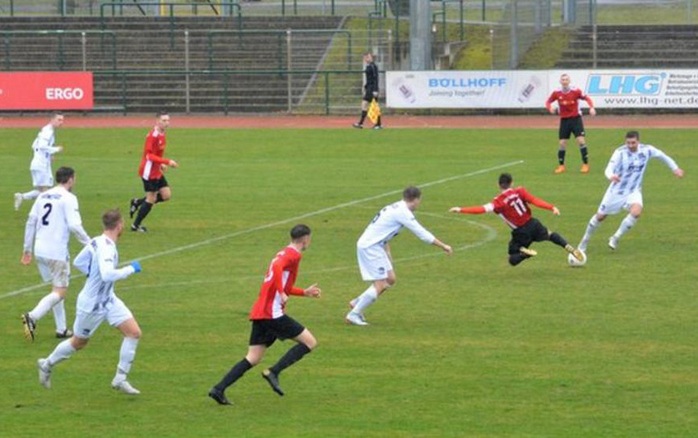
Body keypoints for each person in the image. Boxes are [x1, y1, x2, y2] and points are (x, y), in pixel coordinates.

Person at [208, 224, 322, 406]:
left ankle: (218, 389)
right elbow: (277, 269)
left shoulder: (283, 252)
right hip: (272, 314)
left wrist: (304, 292)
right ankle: (274, 372)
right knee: (310, 342)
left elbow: (283, 284)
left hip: (261, 312)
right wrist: (281, 292)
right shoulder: (294, 255)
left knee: (253, 357)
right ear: (306, 239)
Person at [37, 209, 144, 395]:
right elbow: (108, 274)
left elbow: (79, 261)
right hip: (92, 304)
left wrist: (92, 275)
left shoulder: (96, 241)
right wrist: (130, 269)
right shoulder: (107, 248)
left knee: (134, 333)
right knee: (79, 342)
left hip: (109, 299)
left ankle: (120, 378)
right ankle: (46, 364)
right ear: (119, 226)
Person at [345, 186, 452, 326]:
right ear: (415, 200)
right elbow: (422, 233)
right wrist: (443, 245)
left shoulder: (394, 206)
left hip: (376, 245)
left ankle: (357, 302)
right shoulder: (403, 213)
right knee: (380, 283)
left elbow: (382, 230)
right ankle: (353, 315)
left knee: (390, 279)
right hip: (371, 247)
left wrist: (387, 252)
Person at [578, 130, 684, 252]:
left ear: (638, 141)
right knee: (600, 217)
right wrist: (611, 176)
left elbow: (662, 156)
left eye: (633, 143)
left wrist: (675, 168)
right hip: (616, 191)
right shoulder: (620, 153)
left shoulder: (647, 150)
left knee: (636, 212)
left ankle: (615, 237)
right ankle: (584, 242)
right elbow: (609, 168)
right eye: (628, 143)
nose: (630, 145)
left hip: (634, 191)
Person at [449, 173, 584, 266]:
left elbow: (481, 209)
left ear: (498, 185)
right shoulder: (520, 191)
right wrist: (551, 207)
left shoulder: (499, 202)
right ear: (511, 183)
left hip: (521, 232)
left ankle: (525, 254)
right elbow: (535, 201)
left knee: (512, 259)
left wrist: (461, 209)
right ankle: (568, 247)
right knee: (549, 234)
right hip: (533, 223)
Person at [21, 166, 91, 341]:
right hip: (56, 251)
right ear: (70, 179)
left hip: (39, 250)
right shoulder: (69, 198)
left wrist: (27, 249)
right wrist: (90, 244)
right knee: (60, 291)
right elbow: (75, 226)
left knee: (54, 288)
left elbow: (31, 222)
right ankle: (32, 316)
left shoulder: (42, 196)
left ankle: (61, 329)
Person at [128, 111, 178, 232]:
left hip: (156, 170)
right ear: (157, 121)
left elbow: (157, 153)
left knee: (166, 195)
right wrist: (167, 161)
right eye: (164, 120)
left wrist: (160, 164)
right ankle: (135, 225)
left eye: (168, 120)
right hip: (148, 171)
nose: (167, 123)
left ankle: (137, 202)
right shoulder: (153, 136)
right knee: (151, 198)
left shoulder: (162, 134)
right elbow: (149, 155)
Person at [545, 73, 596, 174]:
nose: (564, 81)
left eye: (566, 80)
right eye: (563, 80)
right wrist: (549, 108)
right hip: (564, 120)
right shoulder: (556, 92)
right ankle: (561, 166)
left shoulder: (575, 91)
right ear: (560, 82)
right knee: (562, 144)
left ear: (569, 81)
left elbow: (587, 98)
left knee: (581, 141)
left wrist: (591, 107)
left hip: (576, 119)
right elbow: (548, 102)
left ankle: (585, 164)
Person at [14, 113, 65, 210]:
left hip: (38, 163)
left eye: (62, 120)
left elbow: (34, 145)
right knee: (45, 191)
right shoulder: (48, 131)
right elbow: (41, 146)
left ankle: (21, 196)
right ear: (52, 119)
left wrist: (49, 154)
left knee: (42, 191)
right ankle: (44, 211)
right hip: (41, 164)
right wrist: (56, 149)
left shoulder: (46, 130)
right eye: (59, 120)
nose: (61, 122)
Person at [352, 52, 382, 130]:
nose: (366, 59)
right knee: (368, 105)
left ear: (371, 58)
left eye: (368, 57)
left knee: (372, 105)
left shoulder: (373, 66)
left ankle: (375, 124)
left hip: (372, 89)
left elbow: (375, 78)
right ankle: (365, 123)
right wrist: (365, 87)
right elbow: (369, 79)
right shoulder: (369, 66)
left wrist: (375, 90)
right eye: (365, 57)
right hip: (369, 88)